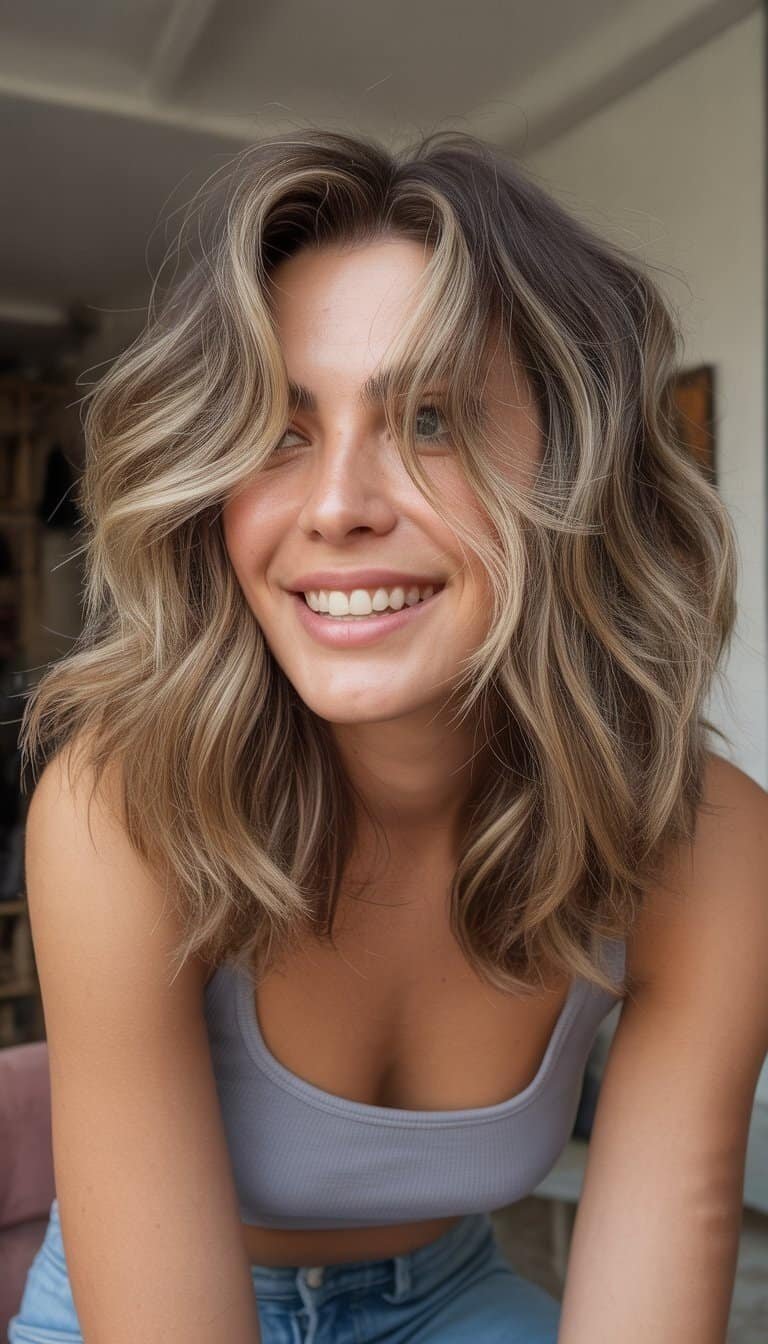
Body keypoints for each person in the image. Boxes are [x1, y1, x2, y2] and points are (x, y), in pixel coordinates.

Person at [9, 128, 768, 1344]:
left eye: (430, 421)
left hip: (451, 1302)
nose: (338, 508)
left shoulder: (712, 848)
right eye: (279, 427)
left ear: (571, 474)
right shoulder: (121, 809)